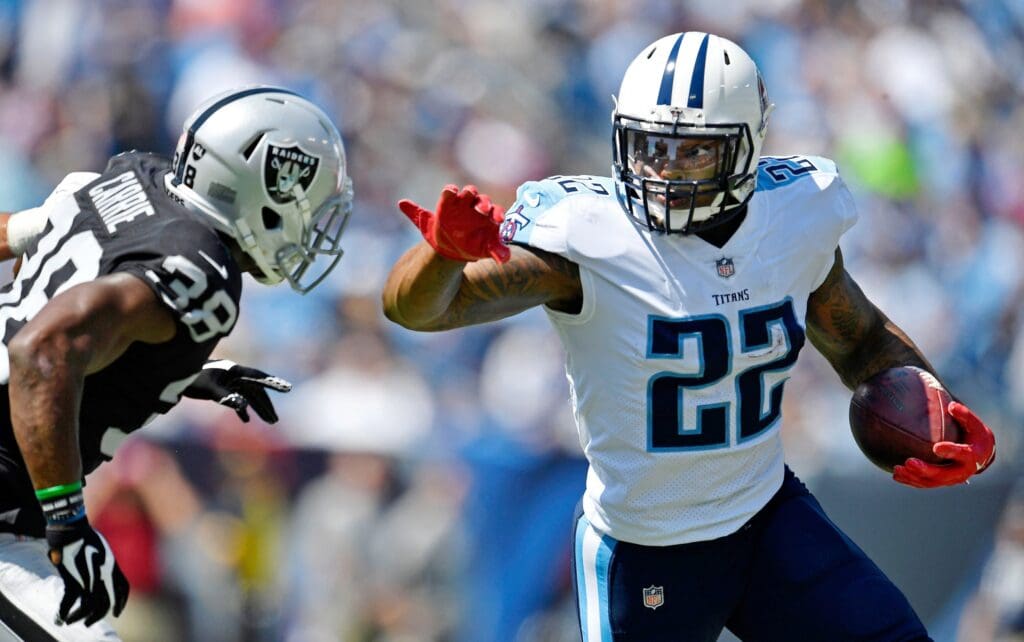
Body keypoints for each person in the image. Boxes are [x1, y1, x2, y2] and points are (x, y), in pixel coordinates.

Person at [382, 32, 996, 642]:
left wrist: (940, 418)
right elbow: (420, 311)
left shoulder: (793, 216)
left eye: (692, 151)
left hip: (767, 518)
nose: (663, 169)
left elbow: (862, 343)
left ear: (747, 147)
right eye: (650, 146)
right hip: (645, 549)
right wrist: (443, 255)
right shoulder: (587, 240)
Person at [0, 85, 353, 640]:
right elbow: (40, 350)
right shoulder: (201, 268)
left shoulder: (133, 175)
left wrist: (182, 371)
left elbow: (53, 286)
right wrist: (67, 519)